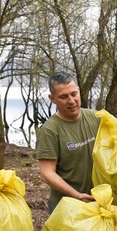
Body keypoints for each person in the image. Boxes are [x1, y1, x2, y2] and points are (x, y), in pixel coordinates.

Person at [36, 72, 101, 213]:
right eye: (63, 97)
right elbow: (47, 173)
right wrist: (76, 195)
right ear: (52, 98)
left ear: (78, 91)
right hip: (66, 206)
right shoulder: (50, 130)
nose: (71, 101)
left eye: (73, 94)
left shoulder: (96, 118)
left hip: (98, 201)